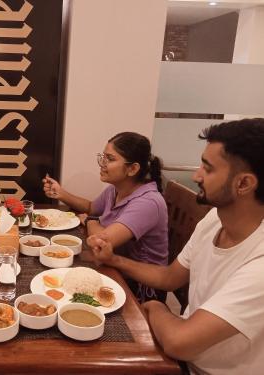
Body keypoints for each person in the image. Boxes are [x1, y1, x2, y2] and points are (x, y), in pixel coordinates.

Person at [89, 119, 264, 374]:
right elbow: (170, 277)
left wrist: (157, 307)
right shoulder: (215, 220)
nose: (196, 176)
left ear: (244, 184)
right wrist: (114, 260)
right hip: (176, 347)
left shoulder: (259, 265)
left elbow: (178, 342)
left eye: (208, 168)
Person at [43, 132, 168, 302]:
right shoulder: (116, 188)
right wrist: (62, 194)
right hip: (115, 268)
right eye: (103, 157)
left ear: (132, 169)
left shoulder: (148, 202)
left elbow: (100, 242)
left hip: (141, 287)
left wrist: (90, 220)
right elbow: (91, 208)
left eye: (110, 159)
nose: (102, 164)